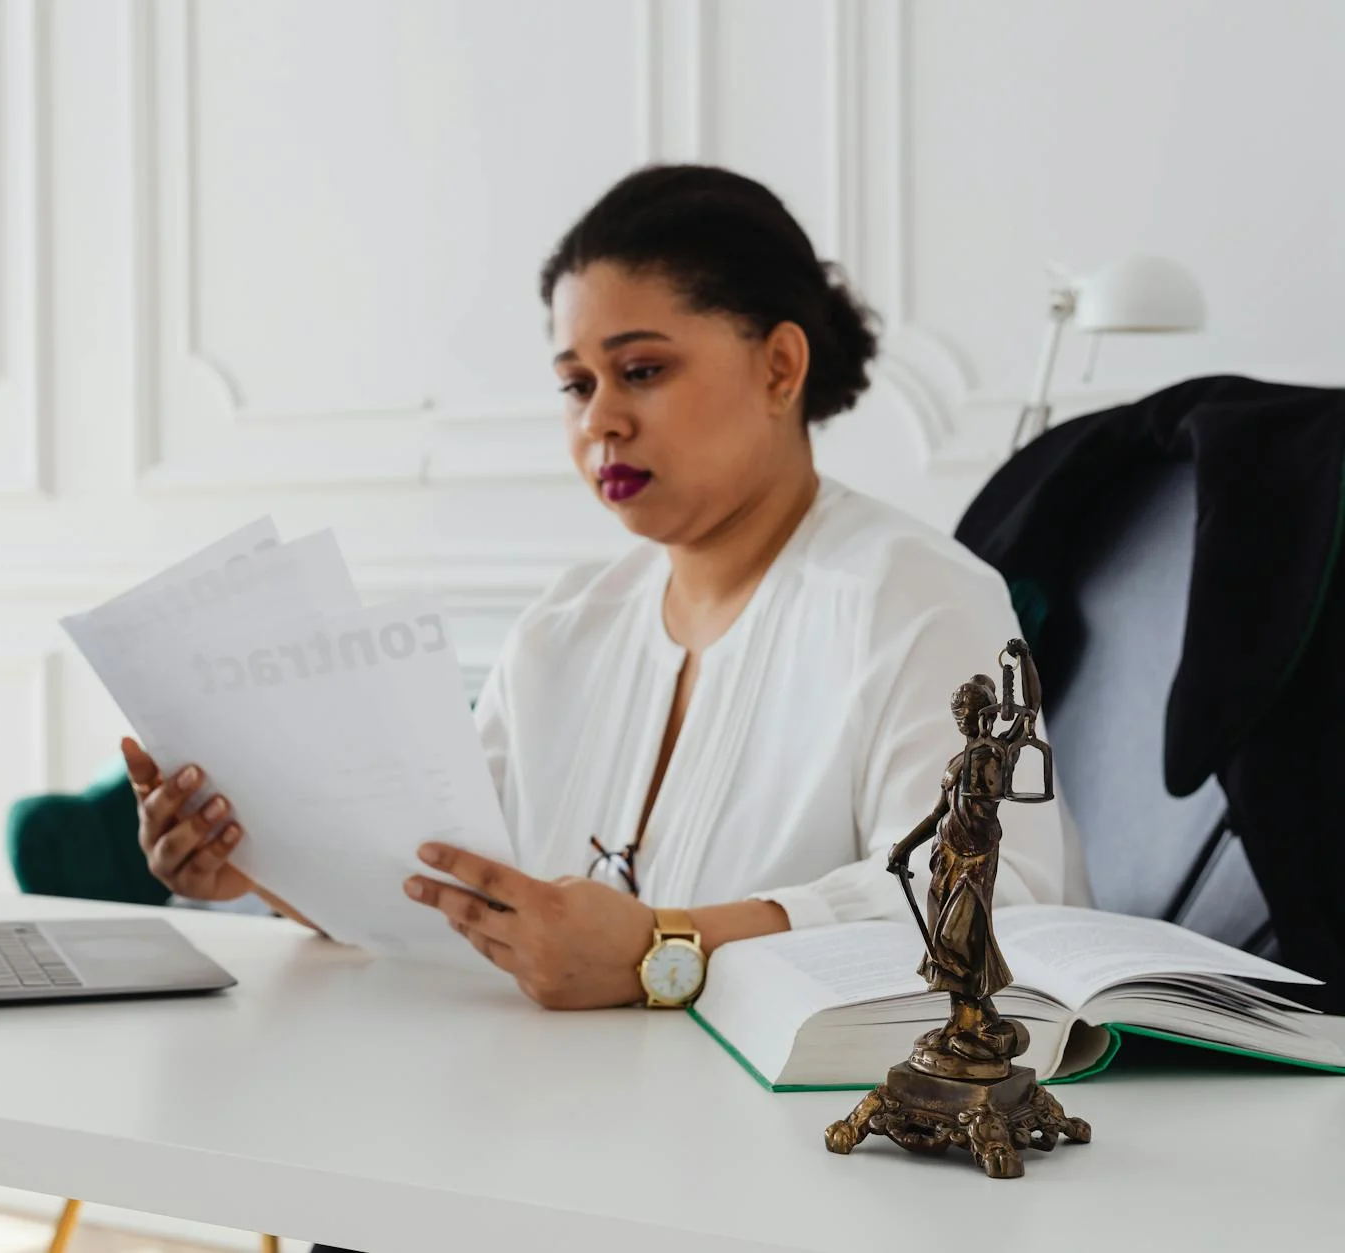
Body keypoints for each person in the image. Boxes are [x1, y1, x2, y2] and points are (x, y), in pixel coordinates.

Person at [121, 165, 1079, 1245]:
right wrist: (264, 862)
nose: (601, 422)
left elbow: (1010, 913)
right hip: (529, 1151)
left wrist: (663, 947)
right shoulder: (567, 622)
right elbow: (457, 887)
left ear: (778, 364)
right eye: (576, 385)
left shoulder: (914, 597)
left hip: (790, 1192)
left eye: (640, 369)